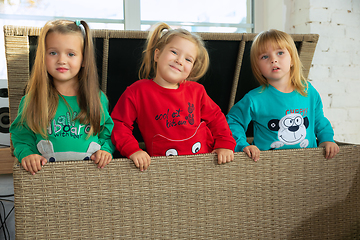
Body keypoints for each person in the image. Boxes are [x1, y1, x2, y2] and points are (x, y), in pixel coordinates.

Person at [111, 22, 236, 171]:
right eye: (174, 52)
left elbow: (217, 119)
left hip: (205, 164)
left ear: (192, 68)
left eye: (188, 59)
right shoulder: (137, 91)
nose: (179, 61)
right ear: (157, 54)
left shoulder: (197, 91)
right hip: (164, 169)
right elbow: (119, 124)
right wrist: (133, 150)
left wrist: (225, 144)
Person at [10, 20, 115, 175]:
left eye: (71, 54)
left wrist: (105, 151)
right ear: (42, 57)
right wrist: (27, 154)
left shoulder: (97, 98)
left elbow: (108, 132)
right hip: (46, 180)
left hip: (91, 178)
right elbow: (21, 134)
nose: (61, 60)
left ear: (84, 59)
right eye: (53, 53)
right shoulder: (32, 99)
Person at [226, 29, 339, 162]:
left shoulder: (308, 91)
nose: (273, 60)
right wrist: (242, 145)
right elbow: (233, 121)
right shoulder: (254, 99)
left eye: (280, 53)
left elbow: (319, 119)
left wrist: (326, 140)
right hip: (269, 165)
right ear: (258, 67)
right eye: (265, 57)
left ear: (292, 59)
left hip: (308, 162)